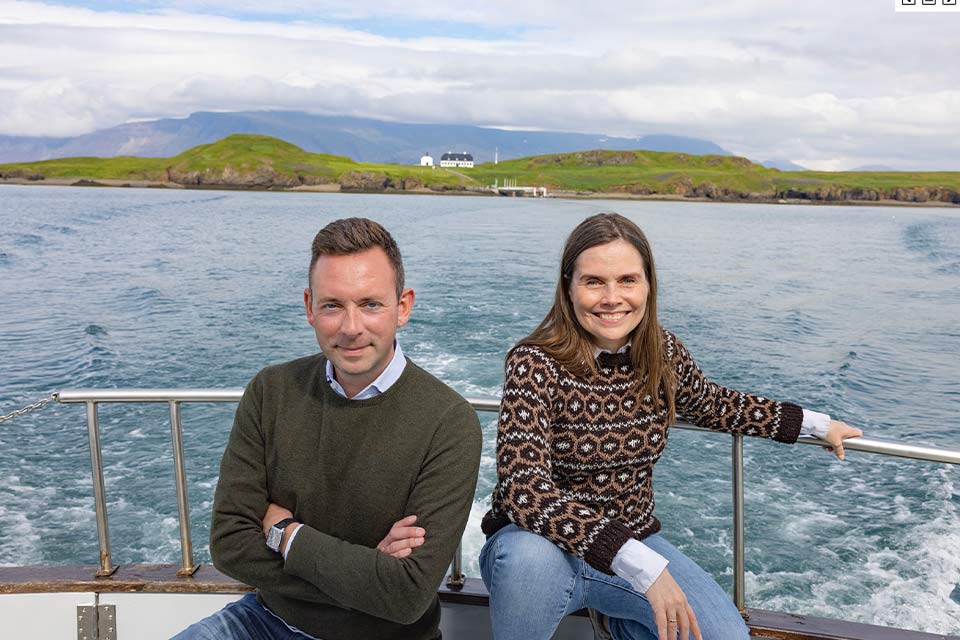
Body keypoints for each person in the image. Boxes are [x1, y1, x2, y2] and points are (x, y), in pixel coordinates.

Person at [479, 212, 862, 640]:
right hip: (540, 548)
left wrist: (814, 424)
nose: (612, 298)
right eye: (593, 282)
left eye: (627, 280)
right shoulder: (534, 363)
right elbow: (523, 489)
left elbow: (713, 403)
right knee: (529, 561)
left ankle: (620, 621)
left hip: (634, 540)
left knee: (726, 637)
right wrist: (642, 568)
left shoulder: (662, 352)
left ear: (648, 285)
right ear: (568, 288)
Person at [174, 217, 483, 640]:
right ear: (309, 308)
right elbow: (230, 543)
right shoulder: (271, 391)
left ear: (403, 306)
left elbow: (407, 594)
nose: (351, 327)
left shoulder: (449, 421)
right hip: (265, 621)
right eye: (332, 305)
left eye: (371, 304)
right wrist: (367, 575)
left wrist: (285, 534)